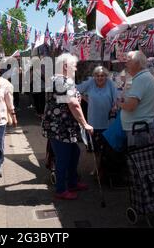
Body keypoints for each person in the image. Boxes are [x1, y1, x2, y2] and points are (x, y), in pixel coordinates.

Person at [42, 53, 94, 200]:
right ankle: (61, 189)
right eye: (74, 65)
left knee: (74, 153)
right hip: (60, 127)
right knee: (63, 157)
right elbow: (73, 105)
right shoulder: (63, 81)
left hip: (61, 126)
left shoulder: (58, 80)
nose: (76, 69)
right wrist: (85, 124)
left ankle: (72, 182)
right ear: (65, 66)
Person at [76, 66, 118, 170]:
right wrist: (85, 99)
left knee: (107, 147)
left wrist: (114, 106)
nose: (100, 78)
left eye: (103, 76)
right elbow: (77, 89)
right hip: (94, 121)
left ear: (106, 76)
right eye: (98, 76)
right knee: (96, 147)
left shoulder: (110, 84)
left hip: (108, 121)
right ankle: (97, 169)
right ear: (94, 76)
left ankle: (105, 169)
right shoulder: (90, 83)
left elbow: (116, 98)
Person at [118, 50, 154, 147]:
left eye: (128, 61)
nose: (126, 64)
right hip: (139, 128)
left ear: (137, 64)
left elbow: (130, 106)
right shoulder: (142, 77)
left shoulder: (141, 79)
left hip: (139, 130)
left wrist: (118, 103)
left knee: (138, 161)